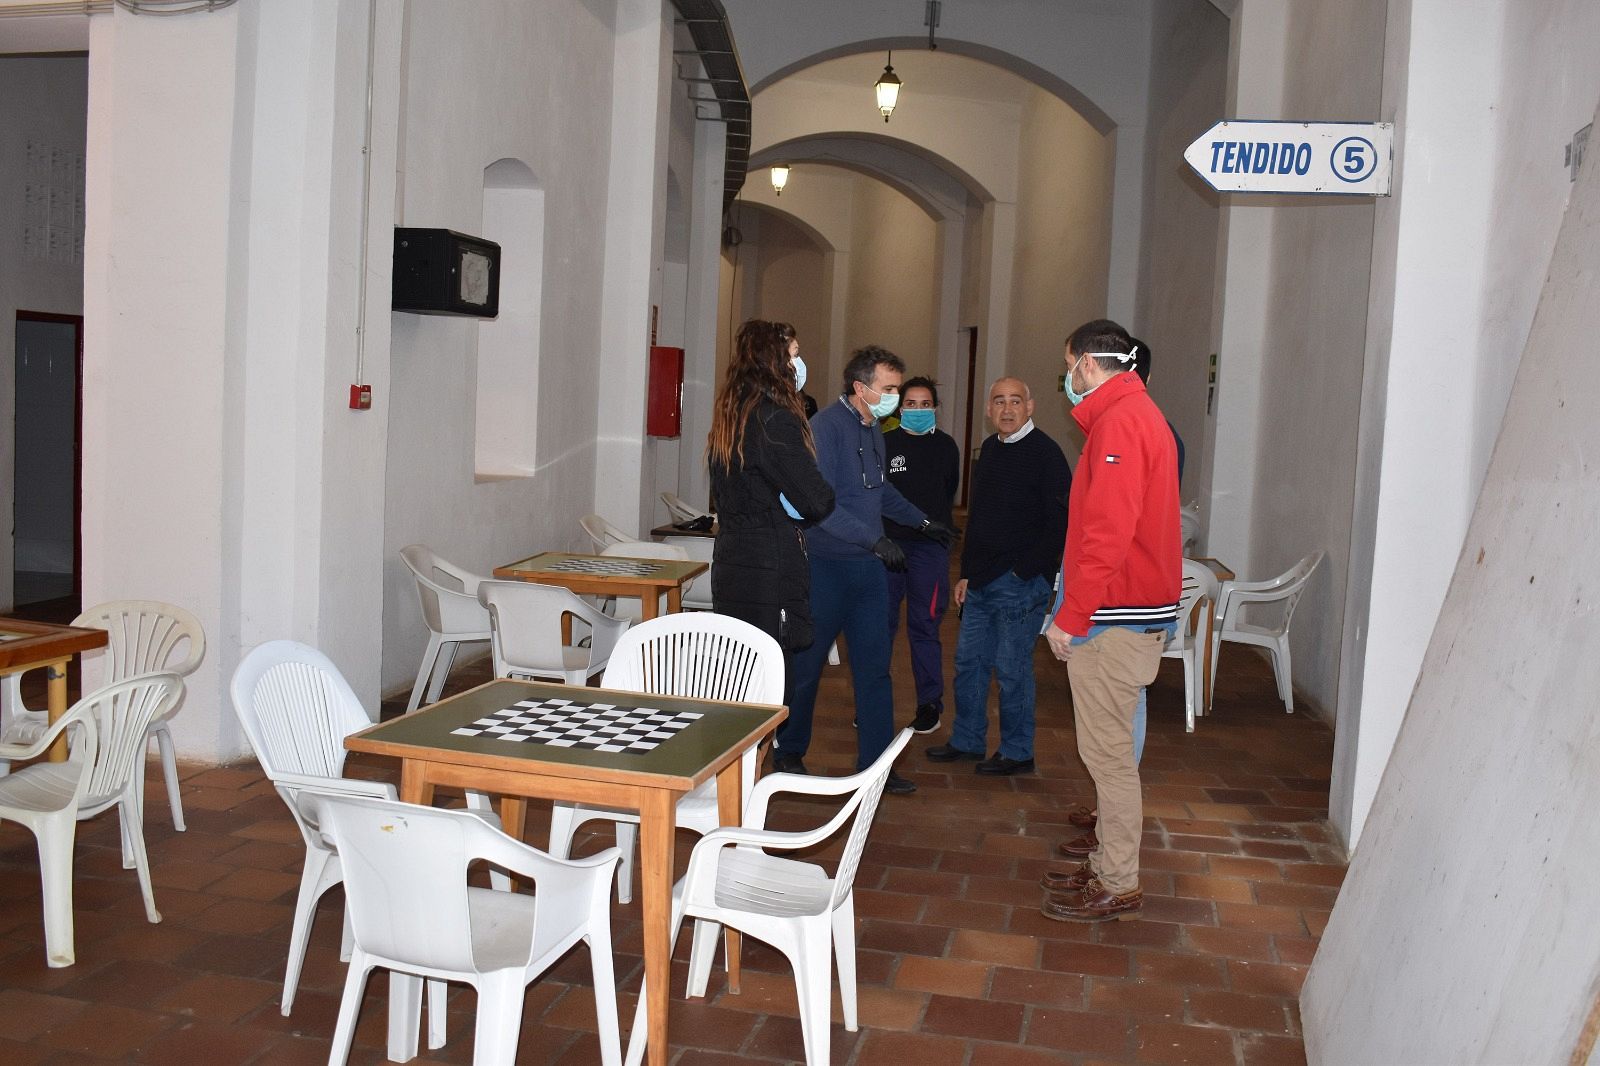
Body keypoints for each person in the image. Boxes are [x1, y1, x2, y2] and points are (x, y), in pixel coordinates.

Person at [1040, 319, 1180, 923]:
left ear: (1088, 365)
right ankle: (1105, 863)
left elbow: (1107, 534)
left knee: (1109, 759)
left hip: (1115, 618)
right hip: (1123, 613)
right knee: (1108, 752)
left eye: (1068, 365)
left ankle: (1119, 879)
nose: (1067, 378)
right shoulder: (1134, 414)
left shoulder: (1122, 421)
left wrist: (1069, 616)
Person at [778, 345, 956, 795]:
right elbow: (820, 504)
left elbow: (881, 492)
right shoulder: (825, 429)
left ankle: (876, 765)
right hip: (826, 569)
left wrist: (923, 521)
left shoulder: (873, 427)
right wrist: (874, 539)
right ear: (861, 388)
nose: (895, 397)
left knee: (875, 669)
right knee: (807, 666)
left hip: (868, 573)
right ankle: (788, 752)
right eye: (890, 389)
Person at [925, 377, 1069, 775]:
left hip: (1019, 584)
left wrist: (1025, 572)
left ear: (1031, 406)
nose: (1007, 409)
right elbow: (979, 518)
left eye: (1015, 401)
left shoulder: (1046, 454)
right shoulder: (989, 449)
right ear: (989, 410)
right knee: (969, 663)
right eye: (999, 402)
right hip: (982, 581)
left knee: (1011, 669)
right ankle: (968, 740)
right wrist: (966, 573)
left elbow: (1060, 522)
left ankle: (1018, 751)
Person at [708, 319, 836, 693]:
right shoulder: (773, 418)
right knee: (770, 685)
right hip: (768, 568)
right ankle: (765, 754)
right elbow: (816, 499)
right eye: (794, 355)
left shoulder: (733, 414)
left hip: (733, 559)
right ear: (774, 361)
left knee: (741, 678)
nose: (800, 364)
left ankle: (744, 754)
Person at [882, 376, 962, 734]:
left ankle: (929, 703)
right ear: (900, 408)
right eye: (910, 404)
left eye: (924, 404)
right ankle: (874, 701)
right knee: (879, 627)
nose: (917, 410)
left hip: (929, 549)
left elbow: (947, 493)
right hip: (889, 548)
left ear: (935, 408)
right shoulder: (883, 444)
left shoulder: (946, 447)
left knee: (924, 626)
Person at [777, 322, 819, 418]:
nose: (797, 364)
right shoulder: (763, 408)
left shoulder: (808, 405)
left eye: (797, 356)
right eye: (794, 357)